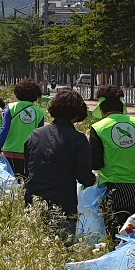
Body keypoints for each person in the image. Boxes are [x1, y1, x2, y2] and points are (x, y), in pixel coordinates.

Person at [23, 88, 96, 241]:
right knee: (62, 246)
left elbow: (27, 169)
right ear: (76, 114)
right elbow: (84, 177)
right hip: (62, 201)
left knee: (34, 245)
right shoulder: (78, 139)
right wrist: (94, 181)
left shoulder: (35, 135)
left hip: (33, 199)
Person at [88, 85, 135, 233]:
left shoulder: (99, 127)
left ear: (101, 108)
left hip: (113, 188)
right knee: (132, 230)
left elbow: (95, 162)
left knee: (114, 233)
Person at [0, 78, 44, 178]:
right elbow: (40, 136)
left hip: (10, 152)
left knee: (9, 182)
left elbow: (4, 129)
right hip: (29, 154)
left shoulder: (11, 108)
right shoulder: (39, 112)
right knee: (25, 182)